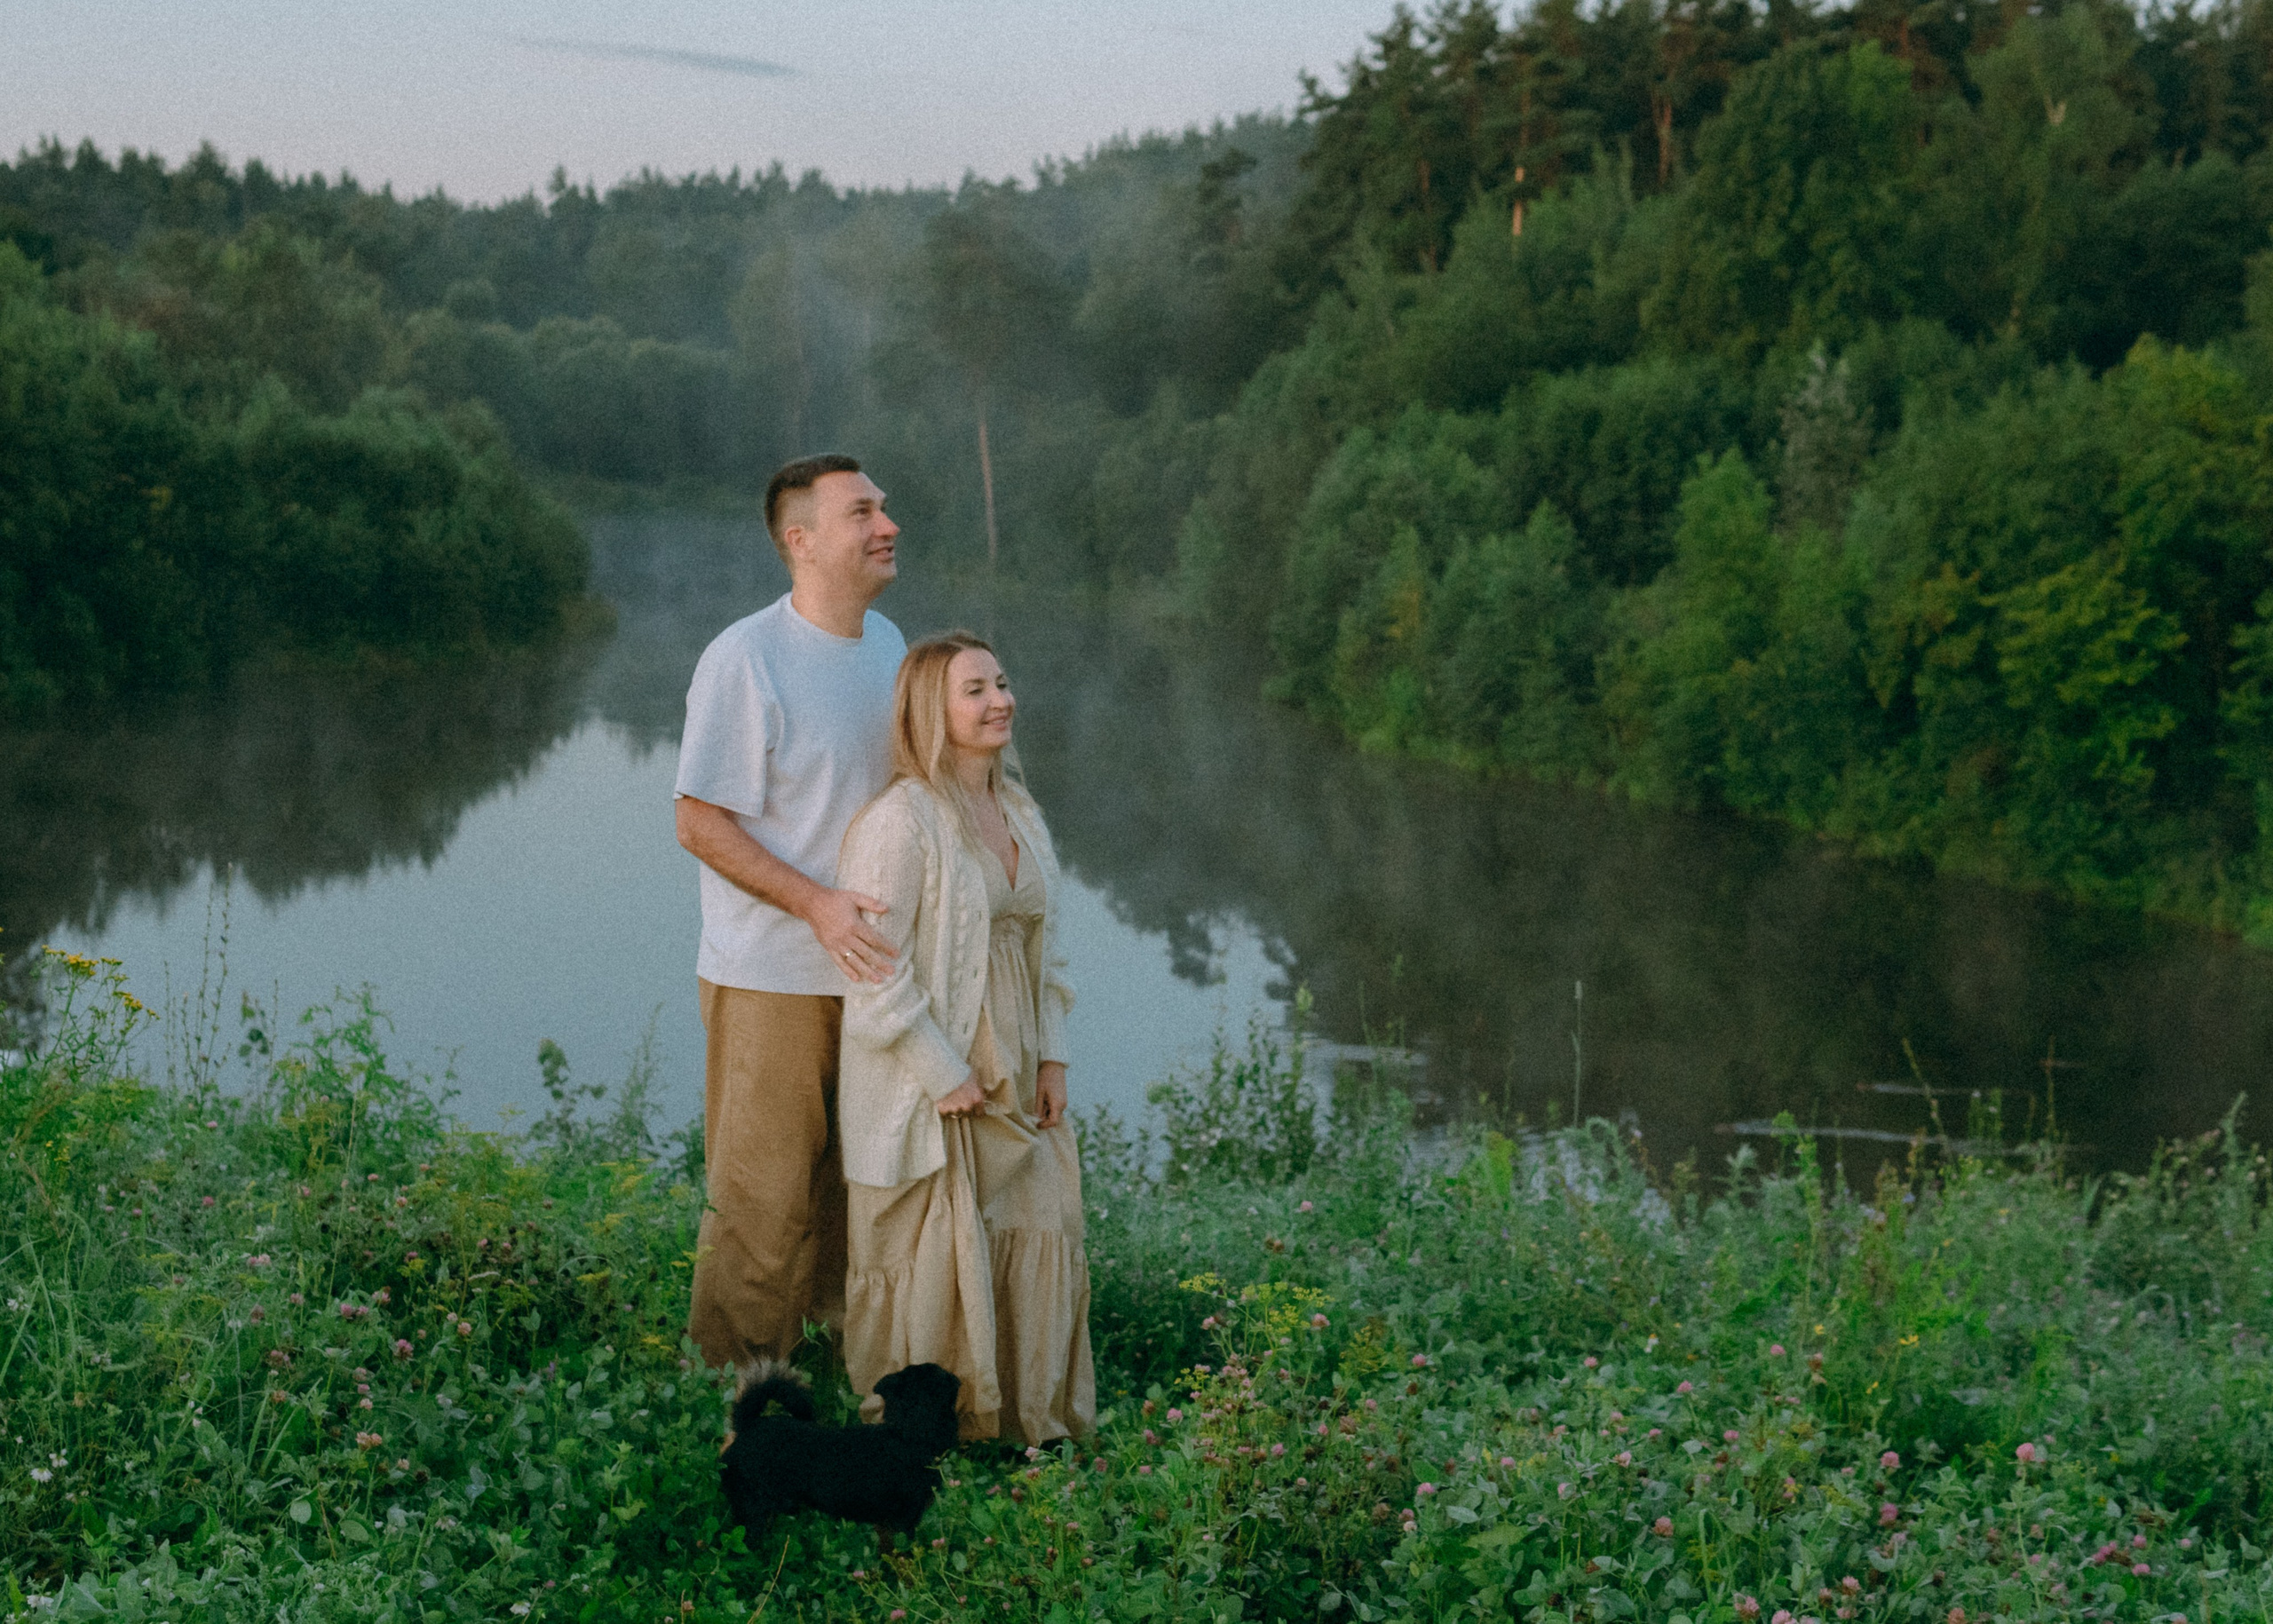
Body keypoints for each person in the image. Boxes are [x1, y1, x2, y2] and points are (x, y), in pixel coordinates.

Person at [674, 454, 907, 1369]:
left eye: (883, 507)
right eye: (863, 512)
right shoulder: (746, 657)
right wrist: (816, 904)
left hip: (878, 975)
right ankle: (730, 1402)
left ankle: (838, 1378)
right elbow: (697, 819)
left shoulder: (890, 646)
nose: (887, 523)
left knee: (857, 1196)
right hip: (769, 974)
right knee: (762, 1201)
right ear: (801, 541)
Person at [835, 633, 1095, 1446]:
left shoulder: (1020, 811)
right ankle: (921, 1435)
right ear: (930, 711)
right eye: (974, 689)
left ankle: (1027, 1417)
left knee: (1043, 1215)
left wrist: (1052, 1052)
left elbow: (1049, 948)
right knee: (933, 1245)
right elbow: (873, 970)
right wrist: (941, 1070)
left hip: (1017, 1059)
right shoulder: (900, 822)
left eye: (1003, 682)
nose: (999, 701)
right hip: (934, 1071)